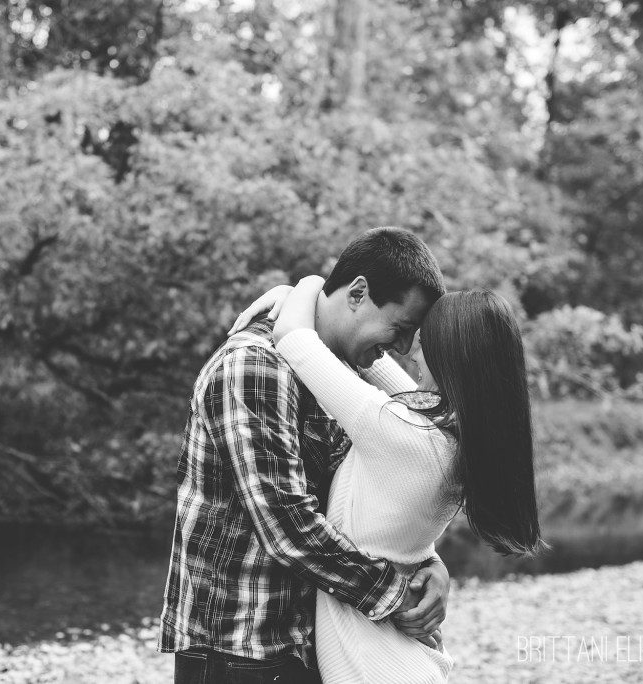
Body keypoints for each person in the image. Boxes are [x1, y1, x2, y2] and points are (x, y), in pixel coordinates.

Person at [159, 227, 453, 683]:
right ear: (358, 293)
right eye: (400, 329)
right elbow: (286, 523)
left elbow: (383, 488)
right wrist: (397, 598)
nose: (400, 349)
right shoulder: (255, 366)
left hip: (302, 644)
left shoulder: (342, 372)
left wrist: (426, 561)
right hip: (241, 651)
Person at [231, 275, 544, 682]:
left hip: (375, 665)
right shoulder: (449, 434)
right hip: (397, 661)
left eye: (423, 344)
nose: (410, 355)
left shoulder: (402, 433)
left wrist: (307, 286)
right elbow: (376, 367)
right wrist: (431, 561)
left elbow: (294, 338)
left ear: (450, 359)